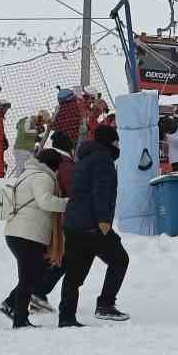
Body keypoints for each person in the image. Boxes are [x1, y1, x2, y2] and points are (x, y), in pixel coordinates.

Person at [58, 124, 132, 325]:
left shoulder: (84, 159)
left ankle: (66, 317)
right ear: (110, 142)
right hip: (92, 224)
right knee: (120, 260)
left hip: (74, 223)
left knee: (73, 274)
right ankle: (106, 305)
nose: (118, 145)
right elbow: (101, 191)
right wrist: (104, 220)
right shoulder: (103, 160)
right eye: (116, 141)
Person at [0, 148, 72, 328]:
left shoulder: (27, 174)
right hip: (28, 234)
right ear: (53, 166)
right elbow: (45, 201)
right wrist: (68, 203)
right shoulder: (43, 177)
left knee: (36, 273)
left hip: (16, 232)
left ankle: (10, 305)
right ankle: (20, 319)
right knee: (29, 277)